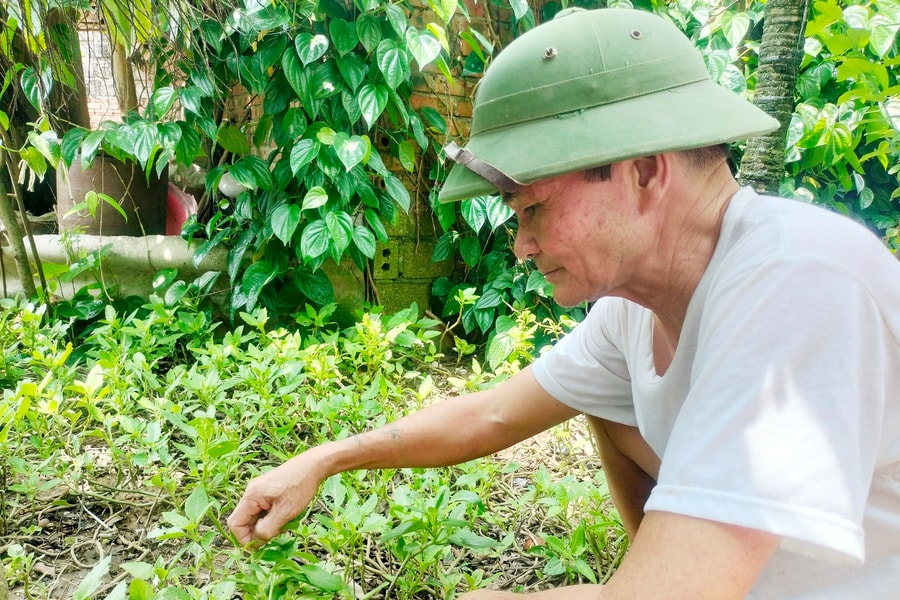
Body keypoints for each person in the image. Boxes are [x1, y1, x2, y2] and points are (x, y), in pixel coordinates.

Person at [229, 8, 900, 599]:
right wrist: (325, 460)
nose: (522, 245)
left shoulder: (798, 281)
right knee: (605, 397)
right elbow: (490, 415)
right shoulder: (636, 307)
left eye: (535, 209)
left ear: (644, 171)